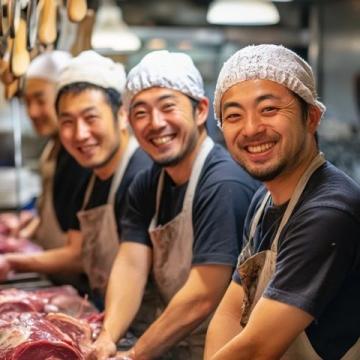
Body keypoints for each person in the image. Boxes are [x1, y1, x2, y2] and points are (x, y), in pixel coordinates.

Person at [91, 50, 259, 360]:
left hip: (225, 349)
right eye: (140, 113)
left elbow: (203, 295)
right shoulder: (147, 183)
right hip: (177, 344)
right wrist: (107, 338)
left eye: (168, 107)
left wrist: (133, 355)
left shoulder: (223, 183)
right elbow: (130, 264)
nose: (155, 123)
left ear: (200, 111)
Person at [205, 44, 360, 360]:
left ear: (312, 117)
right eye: (234, 115)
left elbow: (256, 348)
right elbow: (231, 311)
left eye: (269, 110)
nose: (251, 129)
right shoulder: (263, 198)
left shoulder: (328, 211)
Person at [0, 51, 151, 308]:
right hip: (107, 310)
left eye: (91, 118)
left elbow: (116, 264)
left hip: (145, 326)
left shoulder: (141, 175)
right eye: (67, 121)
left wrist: (13, 261)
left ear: (122, 115)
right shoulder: (94, 174)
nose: (81, 134)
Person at [0, 51, 91, 287]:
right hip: (56, 277)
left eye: (40, 100)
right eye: (27, 102)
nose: (32, 112)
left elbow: (79, 253)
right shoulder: (53, 147)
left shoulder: (81, 156)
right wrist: (33, 221)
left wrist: (14, 260)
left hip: (79, 285)